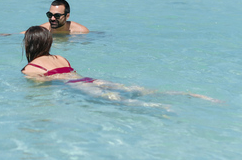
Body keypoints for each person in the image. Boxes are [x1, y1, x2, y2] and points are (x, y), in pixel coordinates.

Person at [21, 26, 220, 105]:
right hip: (90, 79)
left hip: (77, 86)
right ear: (48, 42)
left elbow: (40, 89)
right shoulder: (60, 58)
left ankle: (159, 108)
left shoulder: (31, 68)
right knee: (140, 90)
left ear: (29, 43)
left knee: (122, 102)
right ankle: (187, 95)